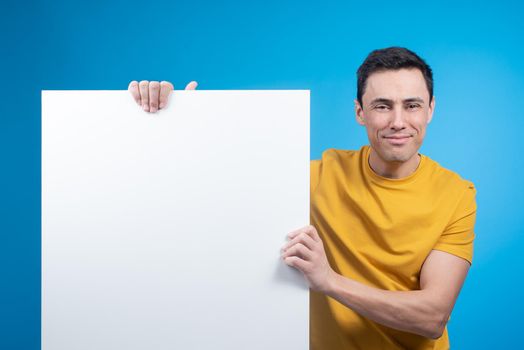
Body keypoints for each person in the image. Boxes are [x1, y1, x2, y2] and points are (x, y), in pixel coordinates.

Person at [128, 47, 476, 350]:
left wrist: (329, 281)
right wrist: (178, 118)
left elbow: (432, 317)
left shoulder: (457, 194)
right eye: (382, 106)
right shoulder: (318, 176)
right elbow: (214, 183)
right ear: (360, 112)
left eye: (412, 105)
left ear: (430, 109)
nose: (398, 121)